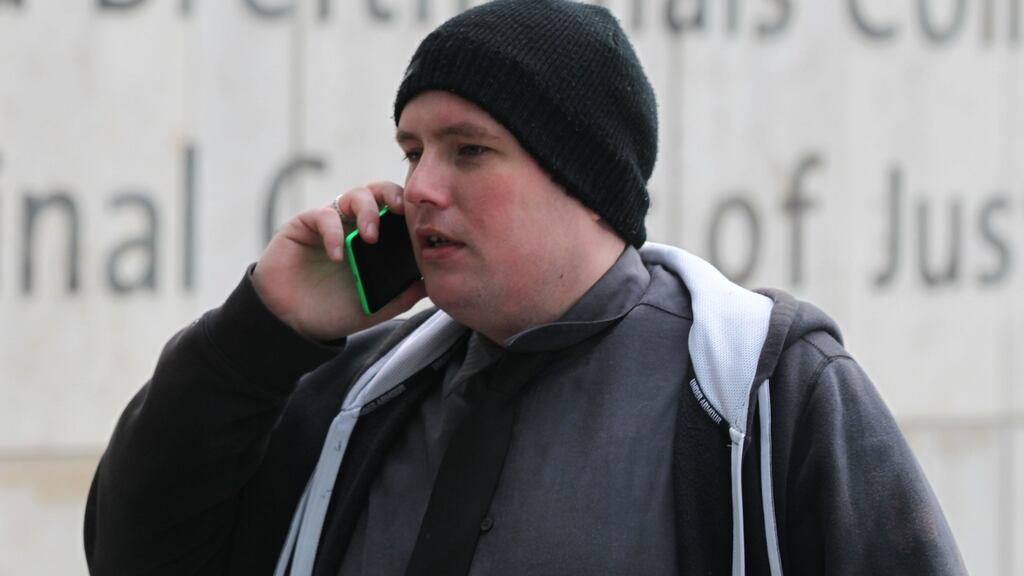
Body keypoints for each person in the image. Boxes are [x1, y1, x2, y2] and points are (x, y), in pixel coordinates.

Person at [84, 1, 967, 575]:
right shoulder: (353, 394)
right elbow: (136, 555)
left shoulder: (764, 389)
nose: (420, 187)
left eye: (469, 150)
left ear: (582, 181)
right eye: (412, 151)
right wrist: (264, 330)